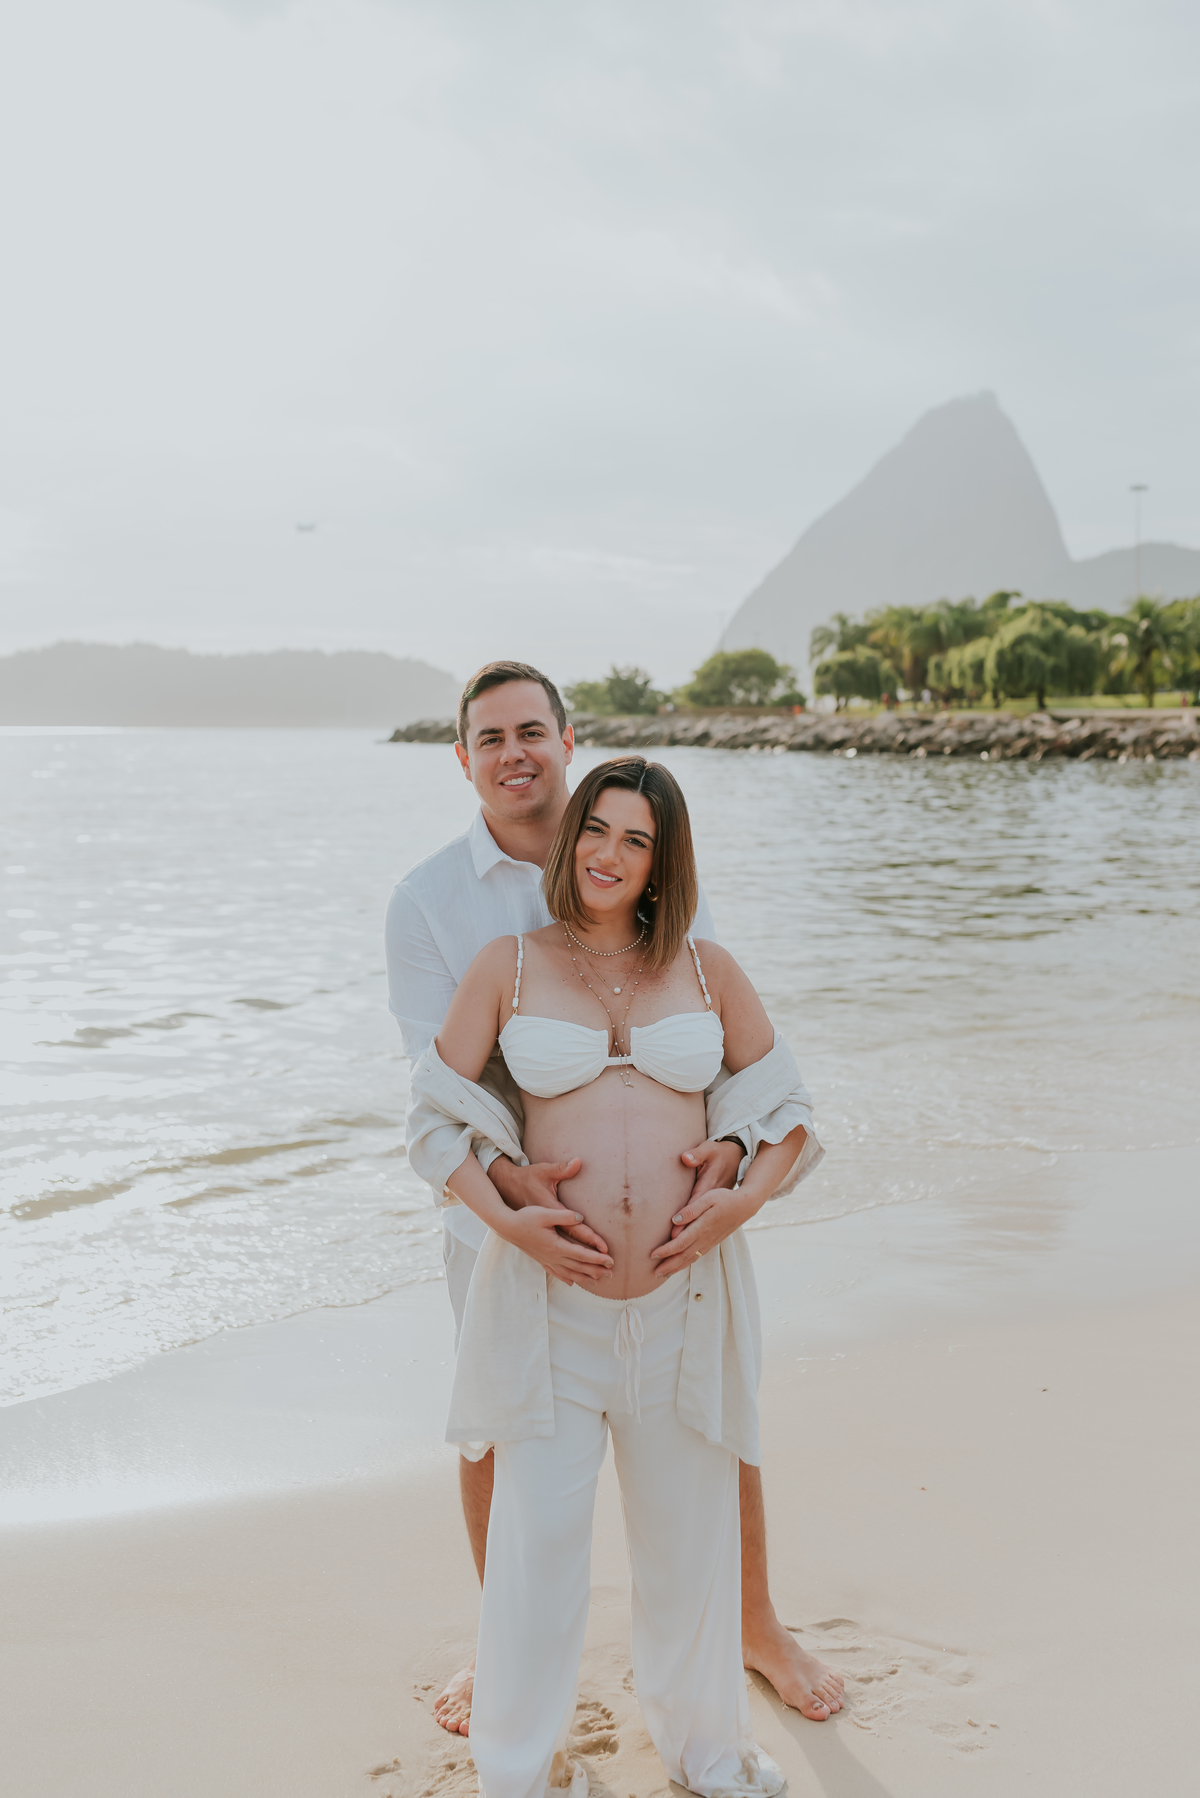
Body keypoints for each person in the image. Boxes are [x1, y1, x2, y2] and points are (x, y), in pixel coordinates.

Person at [385, 661, 844, 1735]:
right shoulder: (433, 903)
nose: (513, 752)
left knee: (707, 1416)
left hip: (676, 1247)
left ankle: (753, 1621)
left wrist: (735, 1165)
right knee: (497, 1432)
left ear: (567, 741)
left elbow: (723, 1049)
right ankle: (507, 1643)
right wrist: (507, 1194)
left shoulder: (640, 850)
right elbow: (435, 1084)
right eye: (489, 737)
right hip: (500, 1227)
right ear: (463, 760)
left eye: (531, 729)